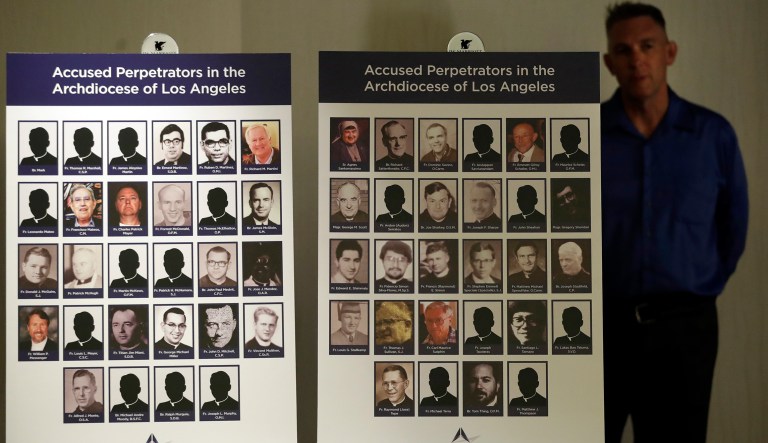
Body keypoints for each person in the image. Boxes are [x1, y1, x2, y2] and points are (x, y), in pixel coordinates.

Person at [601, 4, 748, 442]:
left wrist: (703, 284)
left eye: (647, 46)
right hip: (600, 330)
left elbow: (733, 226)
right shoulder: (581, 136)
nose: (636, 59)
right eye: (623, 50)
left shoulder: (712, 135)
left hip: (685, 330)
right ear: (610, 63)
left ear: (670, 52)